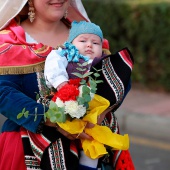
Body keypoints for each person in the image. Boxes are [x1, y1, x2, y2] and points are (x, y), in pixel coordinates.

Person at [0, 0, 135, 170]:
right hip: (28, 149)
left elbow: (116, 78)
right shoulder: (9, 39)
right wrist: (51, 118)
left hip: (90, 144)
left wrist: (98, 112)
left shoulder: (86, 34)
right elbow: (3, 93)